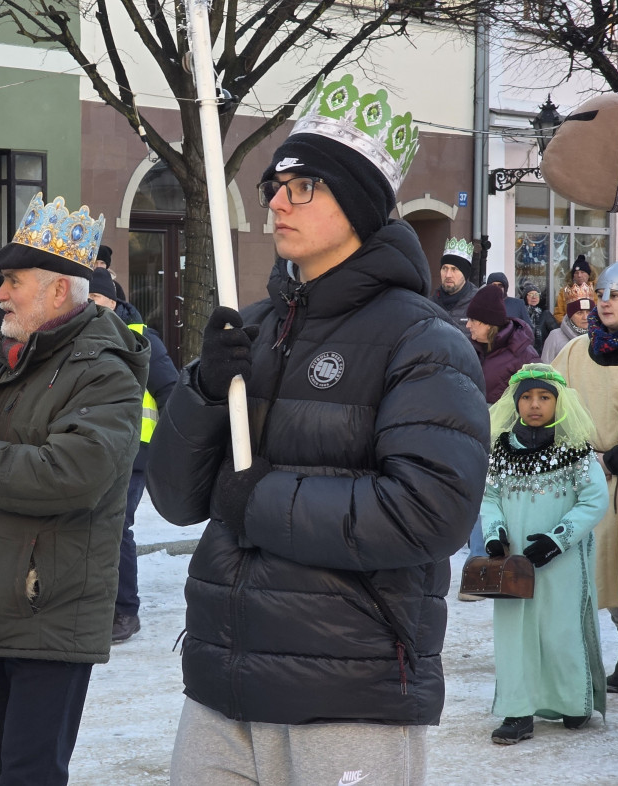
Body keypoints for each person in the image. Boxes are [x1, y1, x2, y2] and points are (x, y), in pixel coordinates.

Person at [145, 73, 490, 785]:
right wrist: (203, 391)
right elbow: (177, 498)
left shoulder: (422, 342)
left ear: (359, 204)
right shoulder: (258, 329)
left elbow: (430, 513)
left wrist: (261, 499)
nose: (275, 200)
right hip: (221, 687)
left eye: (302, 186)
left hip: (348, 689)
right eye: (275, 182)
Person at [0, 193, 149, 785]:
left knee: (28, 772)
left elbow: (72, 474)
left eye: (11, 281)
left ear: (58, 289)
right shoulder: (0, 363)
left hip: (49, 602)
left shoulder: (105, 371)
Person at [481, 365, 608, 744]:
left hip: (562, 561)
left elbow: (594, 501)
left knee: (561, 630)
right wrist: (494, 535)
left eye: (544, 397)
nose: (534, 405)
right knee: (514, 635)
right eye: (526, 397)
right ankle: (518, 711)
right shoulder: (502, 449)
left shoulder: (576, 451)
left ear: (559, 402)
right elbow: (488, 499)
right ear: (516, 402)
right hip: (514, 563)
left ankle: (572, 702)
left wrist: (558, 540)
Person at [552, 259, 618, 694]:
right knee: (601, 564)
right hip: (588, 477)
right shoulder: (576, 350)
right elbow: (548, 397)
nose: (606, 301)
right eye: (604, 293)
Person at [87, 266, 177, 643]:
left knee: (116, 525)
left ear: (112, 300)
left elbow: (171, 390)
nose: (90, 306)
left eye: (95, 299)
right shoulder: (81, 336)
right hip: (93, 449)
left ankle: (125, 611)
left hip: (135, 452)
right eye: (85, 300)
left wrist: (170, 450)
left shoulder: (142, 340)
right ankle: (98, 607)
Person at [465, 285, 540, 404]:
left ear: (488, 323)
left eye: (473, 320)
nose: (467, 325)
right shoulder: (469, 349)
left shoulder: (524, 354)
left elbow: (538, 399)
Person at [431, 236, 478, 338]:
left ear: (465, 274)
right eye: (444, 268)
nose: (448, 275)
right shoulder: (431, 303)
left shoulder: (479, 302)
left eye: (454, 269)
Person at [541, 286, 592, 362]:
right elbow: (546, 368)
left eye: (588, 312)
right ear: (570, 315)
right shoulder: (555, 337)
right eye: (579, 313)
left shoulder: (600, 336)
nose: (585, 317)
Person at [553, 255, 596, 324]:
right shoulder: (565, 292)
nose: (579, 275)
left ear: (589, 274)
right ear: (573, 276)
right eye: (576, 273)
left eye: (582, 272)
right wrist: (570, 324)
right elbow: (558, 314)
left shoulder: (597, 291)